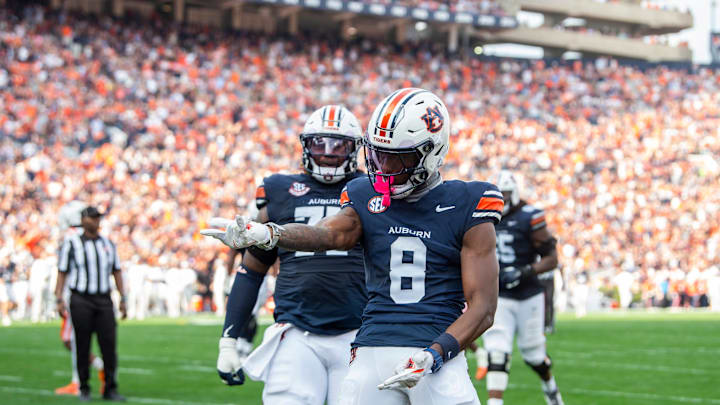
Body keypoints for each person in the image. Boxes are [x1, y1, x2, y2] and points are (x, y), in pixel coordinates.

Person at [203, 89, 501, 405]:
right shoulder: (363, 194)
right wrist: (267, 234)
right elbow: (327, 236)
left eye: (397, 157)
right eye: (377, 154)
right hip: (370, 346)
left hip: (415, 346)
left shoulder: (468, 202)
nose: (384, 167)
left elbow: (484, 307)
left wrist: (436, 353)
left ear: (432, 151)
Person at [203, 105, 368, 405]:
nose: (329, 153)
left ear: (354, 148)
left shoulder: (371, 190)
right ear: (306, 145)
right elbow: (251, 270)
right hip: (296, 331)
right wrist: (229, 340)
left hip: (361, 332)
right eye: (320, 143)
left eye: (338, 144)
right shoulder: (279, 189)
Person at [481, 170, 564, 405]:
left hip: (528, 294)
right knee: (496, 350)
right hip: (500, 295)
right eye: (500, 195)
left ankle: (551, 389)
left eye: (506, 195)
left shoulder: (530, 216)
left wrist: (525, 271)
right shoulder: (485, 215)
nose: (503, 200)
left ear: (515, 193)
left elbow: (552, 258)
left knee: (534, 356)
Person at [55, 206, 127, 402]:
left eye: (97, 218)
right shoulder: (72, 243)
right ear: (83, 220)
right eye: (92, 218)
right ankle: (84, 387)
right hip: (81, 299)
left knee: (109, 346)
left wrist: (123, 298)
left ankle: (110, 387)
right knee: (82, 344)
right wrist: (59, 298)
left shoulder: (108, 244)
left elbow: (117, 271)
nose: (95, 221)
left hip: (103, 299)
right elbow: (62, 271)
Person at [54, 201, 106, 397]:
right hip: (82, 295)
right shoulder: (85, 237)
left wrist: (59, 296)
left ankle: (80, 381)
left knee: (73, 339)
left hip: (75, 295)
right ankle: (94, 371)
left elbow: (63, 269)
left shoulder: (72, 238)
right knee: (71, 339)